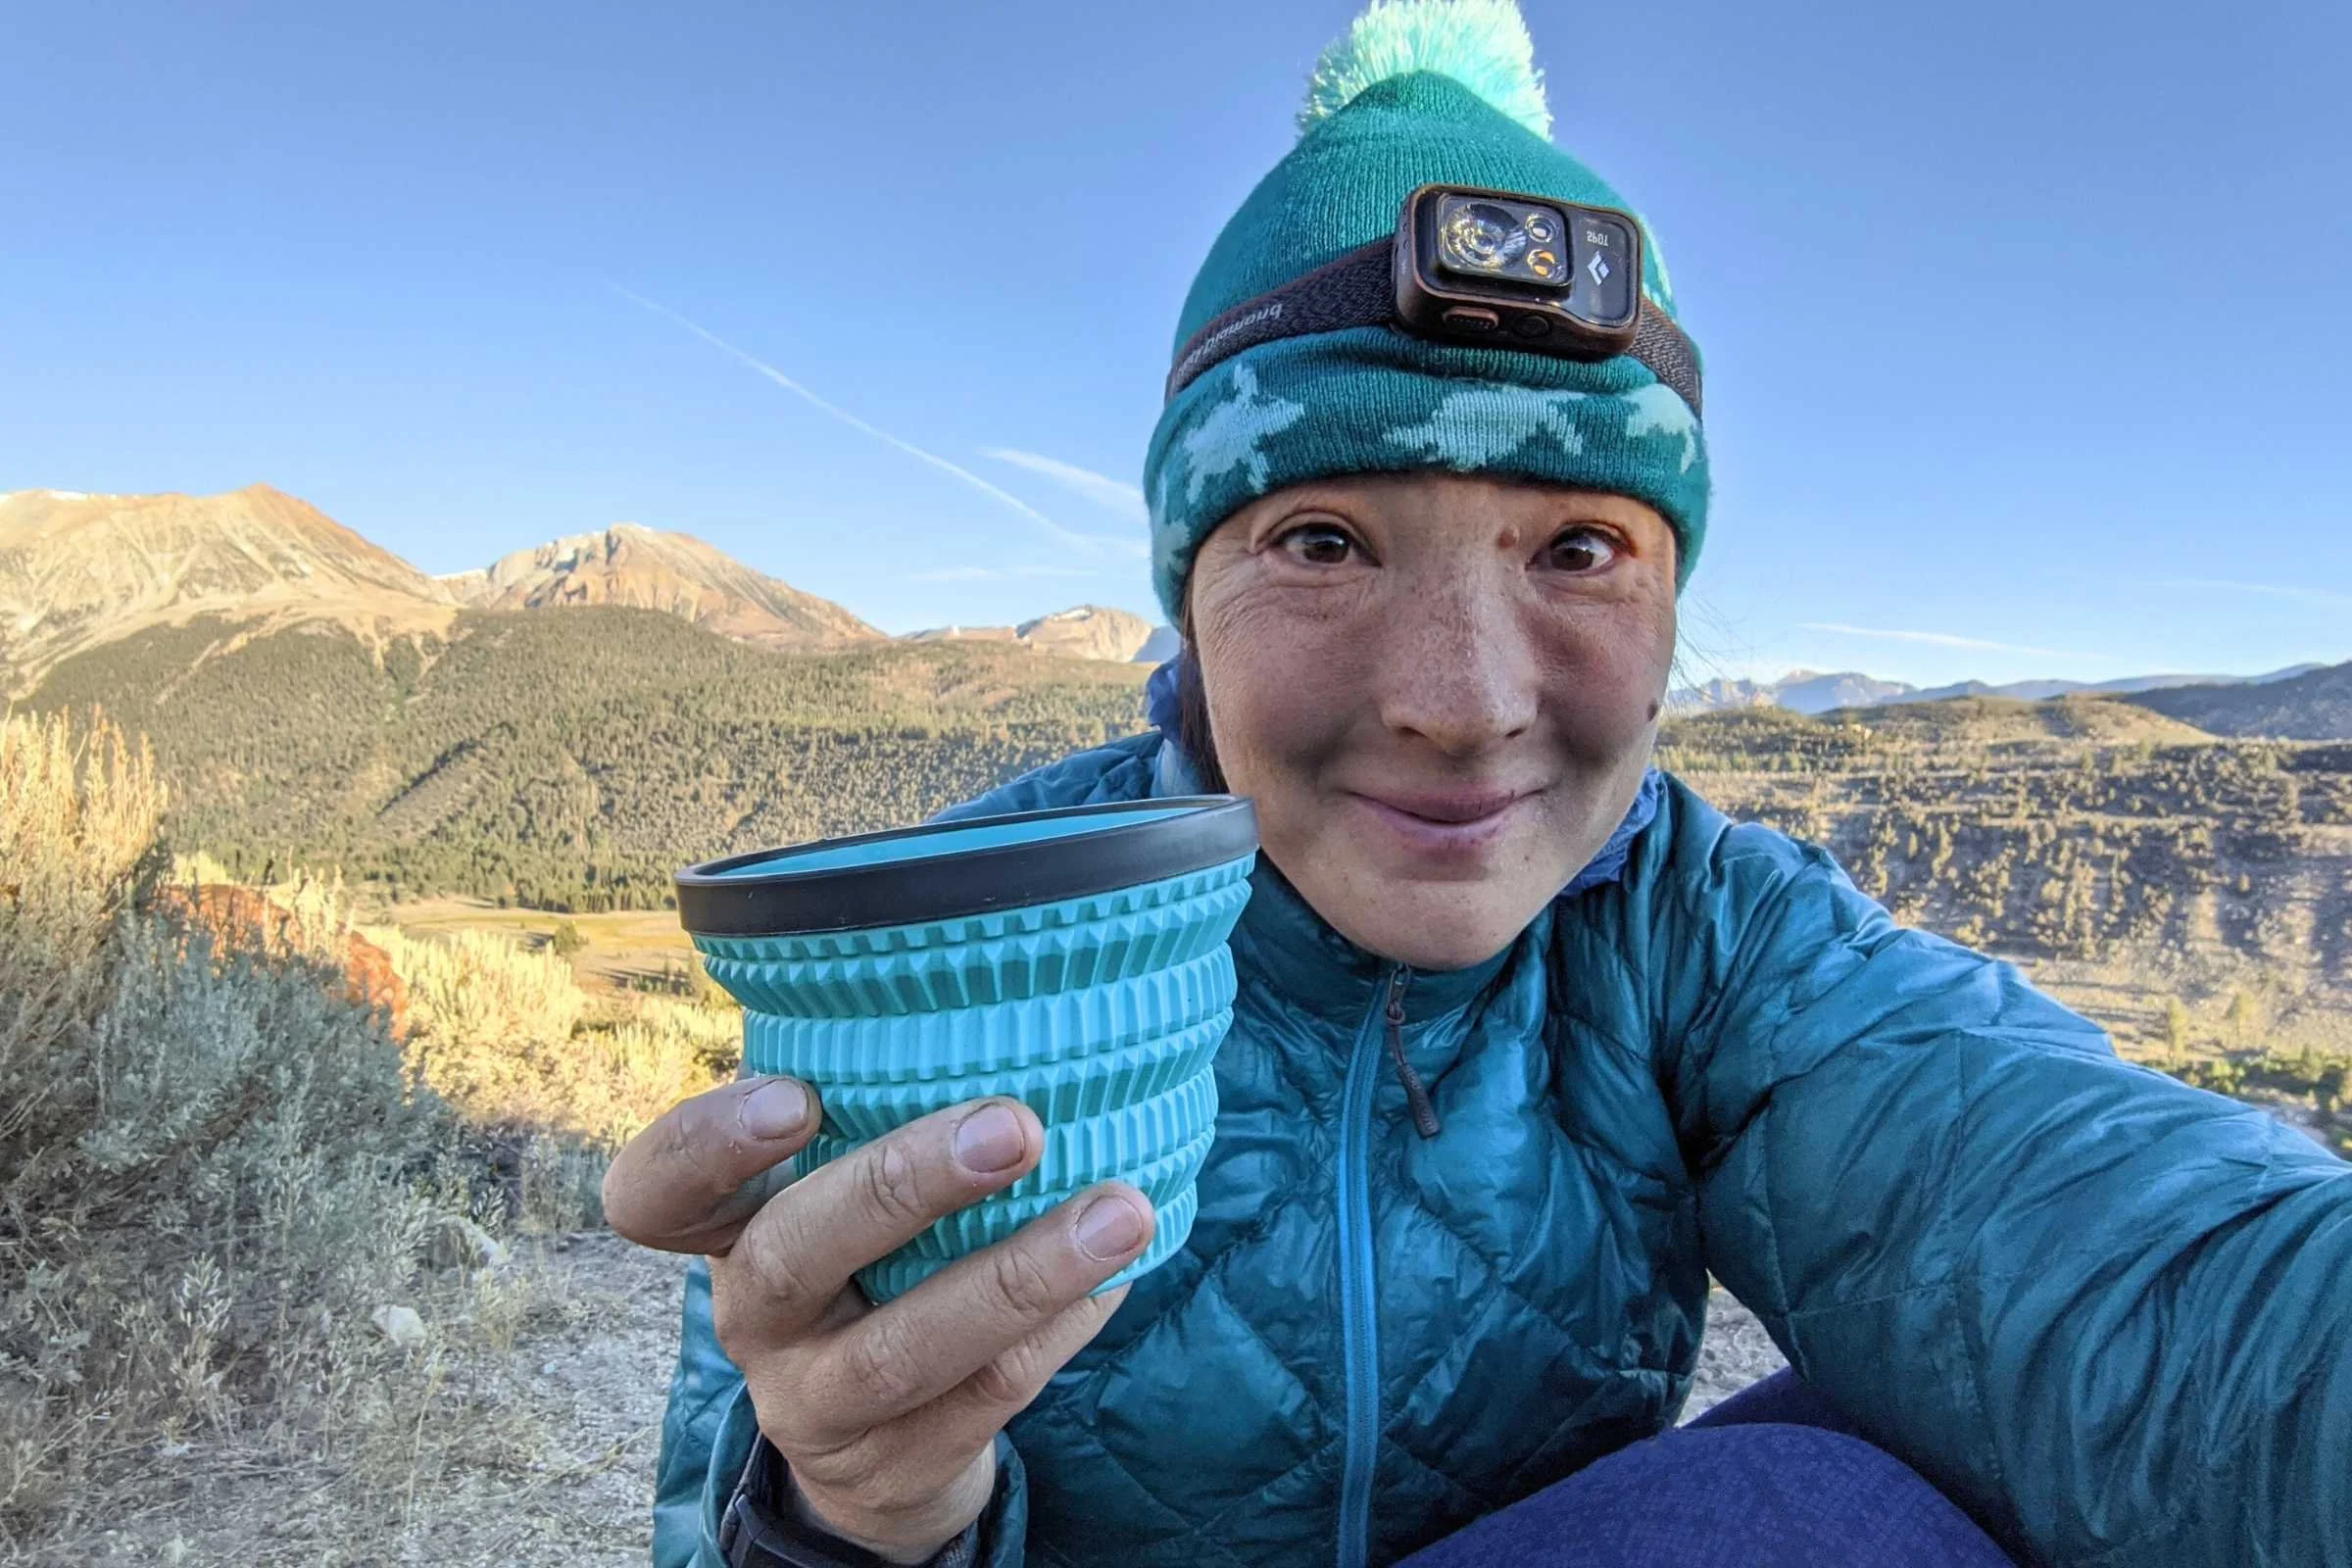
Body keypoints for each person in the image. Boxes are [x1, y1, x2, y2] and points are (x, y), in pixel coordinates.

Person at [607, 3, 2352, 1564]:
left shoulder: (1702, 934)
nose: (1463, 703)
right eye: (1322, 540)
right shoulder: (966, 950)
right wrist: (845, 1522)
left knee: (1879, 1461)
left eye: (1580, 546)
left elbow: (2157, 1283)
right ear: (1188, 595)